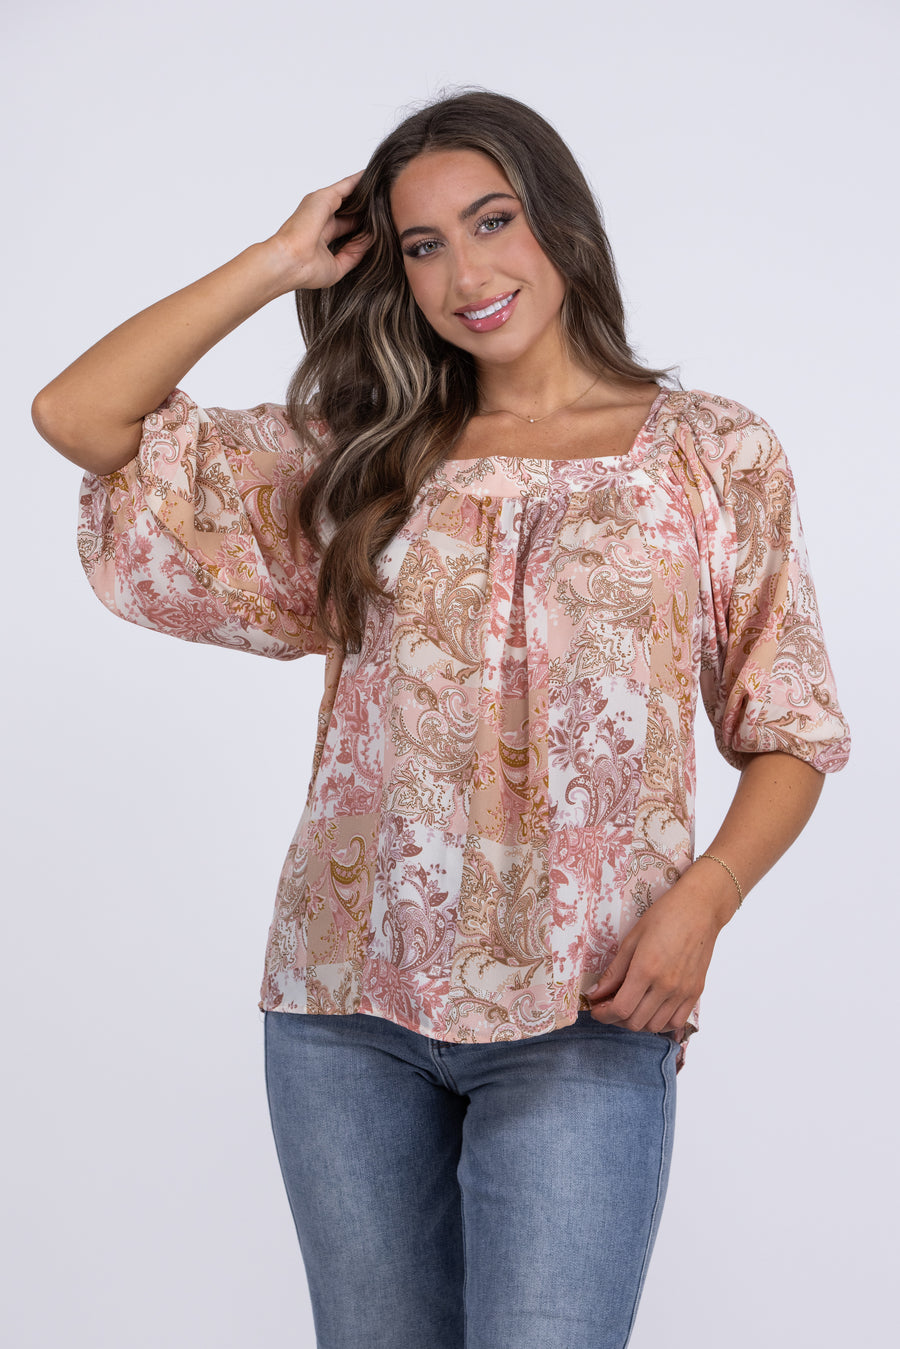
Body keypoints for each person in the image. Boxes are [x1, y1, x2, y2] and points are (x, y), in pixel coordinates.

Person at [32, 89, 850, 1349]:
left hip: (585, 1005)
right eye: (424, 245)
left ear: (558, 220)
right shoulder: (363, 451)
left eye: (491, 220)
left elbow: (789, 721)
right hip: (344, 1000)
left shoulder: (712, 453)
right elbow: (79, 416)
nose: (467, 273)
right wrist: (277, 260)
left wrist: (705, 899)